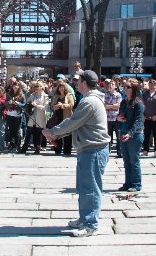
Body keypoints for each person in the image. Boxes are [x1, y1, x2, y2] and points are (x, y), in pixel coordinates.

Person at [43, 70, 110, 237]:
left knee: (90, 188)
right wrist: (56, 134)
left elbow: (73, 122)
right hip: (88, 149)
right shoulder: (89, 100)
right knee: (84, 187)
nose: (76, 83)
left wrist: (53, 132)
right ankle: (84, 218)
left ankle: (90, 225)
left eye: (79, 80)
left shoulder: (89, 102)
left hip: (93, 150)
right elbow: (77, 125)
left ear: (84, 83)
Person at [117, 81, 145, 192]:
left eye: (128, 87)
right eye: (124, 86)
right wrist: (118, 118)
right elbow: (120, 115)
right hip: (123, 133)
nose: (125, 88)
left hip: (135, 135)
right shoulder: (124, 102)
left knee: (134, 161)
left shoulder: (138, 103)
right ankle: (127, 183)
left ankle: (136, 184)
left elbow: (138, 121)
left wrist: (130, 133)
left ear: (134, 89)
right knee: (126, 161)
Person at [51, 81, 75, 155]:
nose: (61, 88)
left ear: (65, 88)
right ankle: (57, 150)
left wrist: (62, 105)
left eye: (63, 87)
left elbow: (71, 104)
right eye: (60, 87)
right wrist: (56, 106)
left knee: (67, 134)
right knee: (57, 134)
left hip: (66, 117)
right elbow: (52, 106)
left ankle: (67, 150)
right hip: (58, 117)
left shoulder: (69, 95)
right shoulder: (56, 96)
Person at [25, 81, 49, 154]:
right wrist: (30, 104)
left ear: (42, 87)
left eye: (38, 86)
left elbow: (45, 107)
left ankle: (38, 147)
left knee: (39, 133)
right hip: (32, 116)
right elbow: (27, 102)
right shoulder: (33, 95)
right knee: (31, 132)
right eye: (36, 86)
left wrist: (36, 105)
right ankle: (29, 147)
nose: (36, 88)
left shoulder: (45, 96)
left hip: (40, 116)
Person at [103, 79, 121, 153]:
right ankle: (108, 150)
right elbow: (103, 106)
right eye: (109, 84)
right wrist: (113, 106)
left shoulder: (118, 95)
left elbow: (118, 106)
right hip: (107, 118)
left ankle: (119, 151)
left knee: (118, 136)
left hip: (116, 118)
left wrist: (109, 106)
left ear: (115, 86)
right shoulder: (104, 94)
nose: (110, 85)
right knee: (108, 136)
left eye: (112, 84)